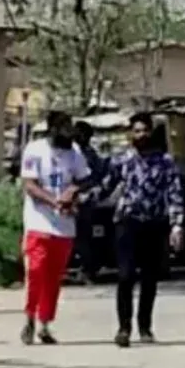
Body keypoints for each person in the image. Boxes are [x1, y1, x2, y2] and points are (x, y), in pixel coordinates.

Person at [88, 111, 185, 347]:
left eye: (145, 131)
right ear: (131, 133)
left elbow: (174, 194)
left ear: (151, 133)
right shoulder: (123, 160)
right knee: (125, 276)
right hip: (127, 222)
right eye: (137, 131)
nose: (141, 135)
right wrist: (81, 200)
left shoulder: (165, 162)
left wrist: (177, 225)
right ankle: (124, 328)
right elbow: (106, 186)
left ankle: (145, 326)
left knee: (150, 277)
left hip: (154, 224)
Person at [19, 110, 93, 345]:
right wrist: (54, 201)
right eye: (64, 127)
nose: (69, 132)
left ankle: (45, 323)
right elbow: (30, 185)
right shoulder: (35, 149)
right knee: (36, 271)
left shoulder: (75, 153)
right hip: (38, 222)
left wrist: (73, 191)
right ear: (52, 129)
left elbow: (86, 178)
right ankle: (29, 317)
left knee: (53, 277)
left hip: (64, 226)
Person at [72, 120, 108, 281]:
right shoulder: (72, 152)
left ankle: (88, 268)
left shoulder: (88, 154)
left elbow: (98, 176)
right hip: (72, 199)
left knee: (82, 237)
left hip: (83, 201)